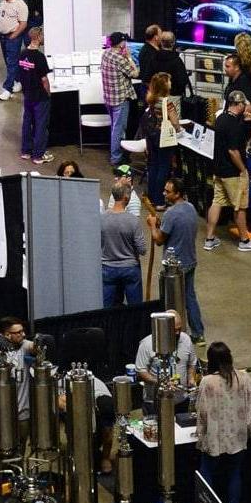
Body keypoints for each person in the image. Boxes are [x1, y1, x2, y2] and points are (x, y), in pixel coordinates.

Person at [189, 342, 251, 503]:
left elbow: (202, 409)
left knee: (206, 473)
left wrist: (200, 431)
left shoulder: (207, 381)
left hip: (214, 436)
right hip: (237, 435)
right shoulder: (242, 377)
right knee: (234, 472)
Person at [147, 178, 205, 344]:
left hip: (174, 267)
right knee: (189, 297)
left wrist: (152, 226)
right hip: (190, 260)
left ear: (177, 193)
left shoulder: (171, 213)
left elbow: (158, 239)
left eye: (168, 191)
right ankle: (198, 332)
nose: (164, 193)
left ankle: (170, 332)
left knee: (169, 300)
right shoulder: (191, 208)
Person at [207, 91, 251, 254]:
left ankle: (210, 238)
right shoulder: (232, 124)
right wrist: (243, 169)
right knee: (239, 206)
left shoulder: (221, 119)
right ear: (239, 105)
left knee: (217, 201)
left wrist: (246, 122)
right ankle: (244, 240)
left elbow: (240, 139)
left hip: (218, 170)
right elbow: (234, 151)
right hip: (232, 172)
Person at [102, 178, 147, 306]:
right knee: (135, 309)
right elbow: (142, 250)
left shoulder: (101, 219)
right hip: (130, 268)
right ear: (126, 198)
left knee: (108, 309)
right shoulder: (133, 221)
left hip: (107, 268)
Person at [139, 72, 179, 207]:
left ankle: (151, 197)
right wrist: (179, 129)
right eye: (169, 81)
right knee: (163, 167)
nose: (171, 83)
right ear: (164, 85)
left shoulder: (152, 100)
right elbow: (174, 121)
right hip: (164, 138)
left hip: (152, 137)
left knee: (153, 165)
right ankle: (160, 201)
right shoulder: (167, 102)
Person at [100, 32, 139, 167]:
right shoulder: (120, 58)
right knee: (118, 128)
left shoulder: (106, 54)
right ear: (121, 43)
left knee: (115, 127)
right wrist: (129, 57)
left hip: (109, 97)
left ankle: (118, 153)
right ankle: (116, 157)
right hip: (120, 99)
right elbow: (135, 73)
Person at [133, 308, 197, 385]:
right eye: (174, 330)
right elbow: (141, 371)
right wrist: (160, 383)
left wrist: (191, 378)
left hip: (181, 395)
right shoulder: (147, 344)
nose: (177, 333)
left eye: (179, 329)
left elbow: (192, 364)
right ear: (165, 327)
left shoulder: (186, 340)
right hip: (156, 395)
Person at [18, 26, 52, 164]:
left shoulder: (22, 54)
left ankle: (26, 151)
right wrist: (48, 93)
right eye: (42, 36)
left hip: (27, 95)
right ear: (38, 38)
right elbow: (44, 79)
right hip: (39, 97)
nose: (43, 38)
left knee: (27, 122)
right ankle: (38, 155)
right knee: (40, 125)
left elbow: (20, 74)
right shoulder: (39, 57)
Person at [0, 0, 29, 101]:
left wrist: (13, 35)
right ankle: (18, 81)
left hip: (13, 37)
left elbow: (23, 24)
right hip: (3, 36)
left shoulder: (21, 5)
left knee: (12, 62)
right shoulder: (4, 1)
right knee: (8, 61)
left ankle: (7, 89)